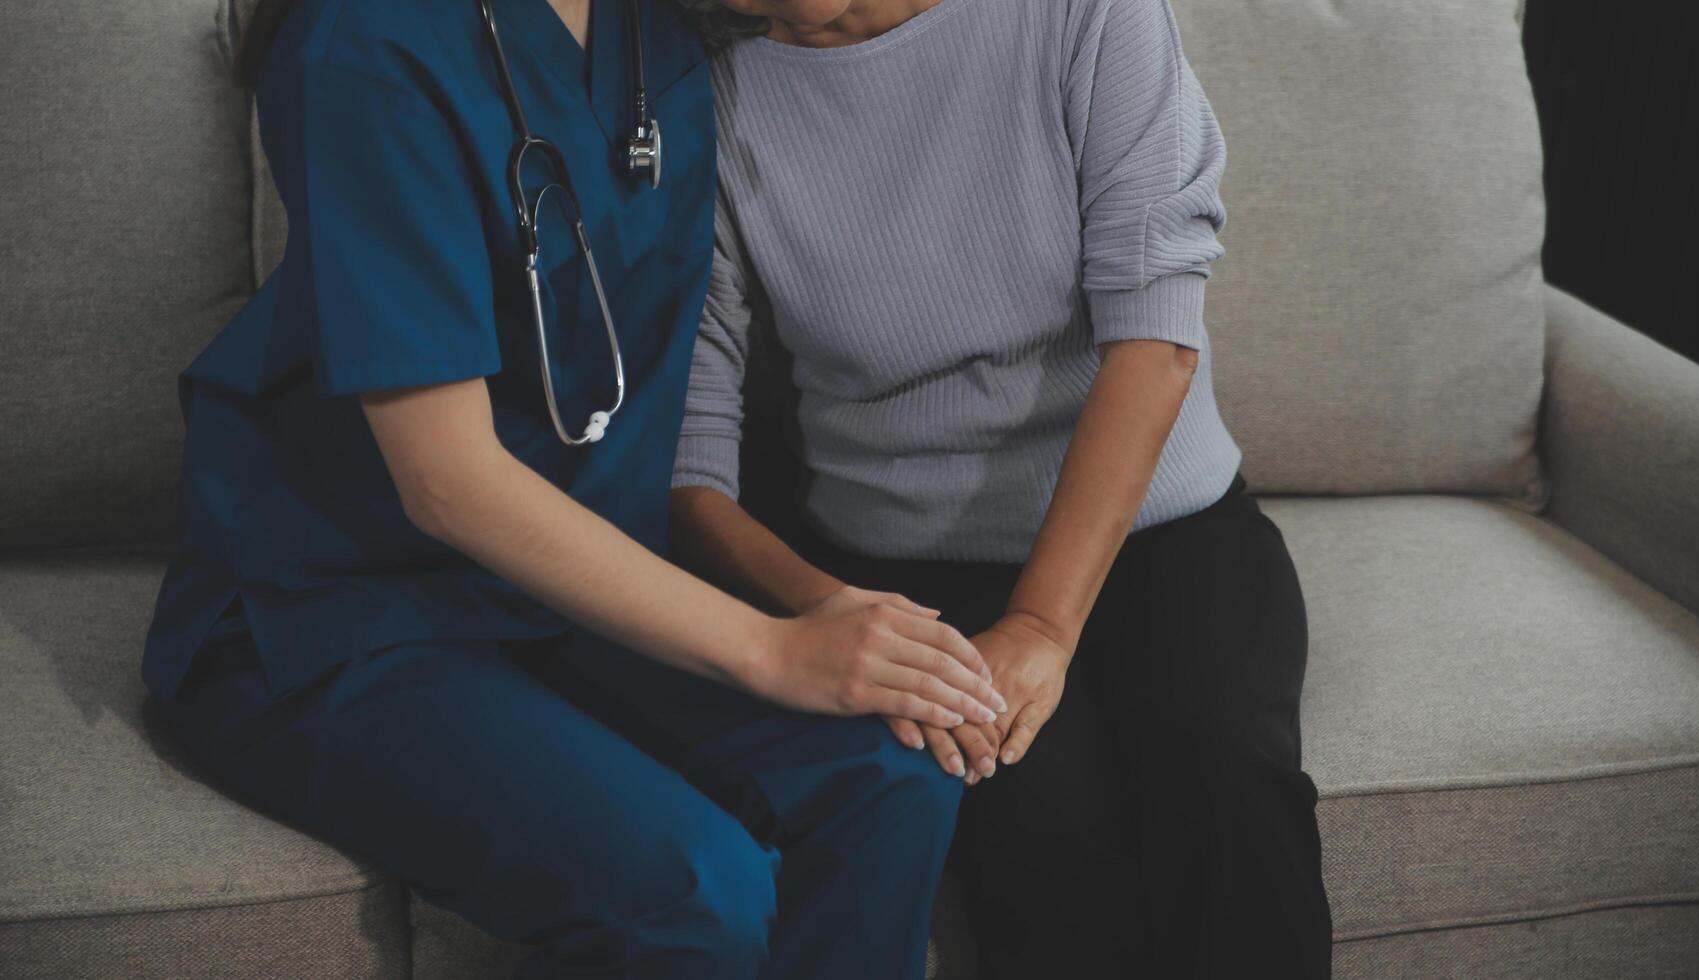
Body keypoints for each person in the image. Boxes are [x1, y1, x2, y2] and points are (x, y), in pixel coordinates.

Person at [141, 1, 1007, 977]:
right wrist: (773, 646)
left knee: (891, 774)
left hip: (578, 588)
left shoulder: (668, 24)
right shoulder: (367, 44)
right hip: (343, 606)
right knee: (694, 884)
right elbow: (446, 482)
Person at [667, 0, 1335, 975]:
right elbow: (690, 462)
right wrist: (830, 611)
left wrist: (1042, 629)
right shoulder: (701, 86)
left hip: (1166, 523)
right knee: (1035, 823)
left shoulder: (1084, 14)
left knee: (1223, 772)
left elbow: (1153, 341)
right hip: (903, 563)